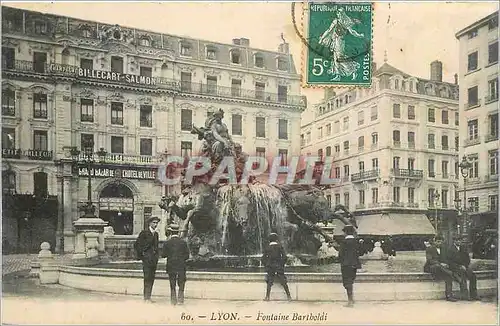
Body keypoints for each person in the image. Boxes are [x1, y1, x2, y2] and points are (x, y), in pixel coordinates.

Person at [423, 235, 461, 302]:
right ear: (434, 242)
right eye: (437, 242)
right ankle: (454, 274)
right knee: (438, 266)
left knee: (448, 277)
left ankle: (449, 296)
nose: (439, 243)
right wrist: (441, 264)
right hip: (431, 267)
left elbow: (446, 259)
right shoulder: (429, 249)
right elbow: (430, 260)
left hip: (442, 269)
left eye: (440, 242)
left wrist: (445, 264)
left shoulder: (444, 249)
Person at [162, 224, 190, 305]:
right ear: (178, 232)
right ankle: (180, 299)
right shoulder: (183, 243)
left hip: (171, 265)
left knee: (172, 283)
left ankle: (173, 300)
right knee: (181, 282)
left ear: (171, 232)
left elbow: (163, 255)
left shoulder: (167, 243)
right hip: (181, 265)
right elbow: (187, 256)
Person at [134, 216, 160, 302]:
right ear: (150, 223)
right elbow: (137, 245)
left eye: (156, 223)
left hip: (153, 260)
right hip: (146, 259)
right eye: (154, 223)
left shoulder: (156, 234)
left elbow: (156, 247)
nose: (155, 224)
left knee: (152, 278)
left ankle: (149, 297)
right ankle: (146, 297)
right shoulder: (144, 233)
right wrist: (142, 256)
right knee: (147, 277)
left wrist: (156, 256)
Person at [445, 236, 478, 301]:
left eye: (460, 240)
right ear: (454, 241)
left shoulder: (463, 248)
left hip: (464, 267)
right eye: (457, 240)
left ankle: (474, 295)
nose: (459, 242)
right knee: (462, 276)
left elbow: (467, 259)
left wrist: (465, 266)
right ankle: (464, 295)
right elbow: (449, 261)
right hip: (455, 268)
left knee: (473, 276)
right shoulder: (450, 249)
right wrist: (459, 266)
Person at [262, 232, 292, 301]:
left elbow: (263, 258)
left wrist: (267, 265)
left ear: (269, 240)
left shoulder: (267, 248)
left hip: (270, 267)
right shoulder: (280, 246)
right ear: (276, 240)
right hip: (279, 266)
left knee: (269, 281)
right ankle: (288, 296)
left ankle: (267, 297)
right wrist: (281, 264)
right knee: (283, 281)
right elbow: (285, 257)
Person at [337, 224, 361, 307]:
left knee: (347, 282)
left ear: (346, 232)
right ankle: (352, 299)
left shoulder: (344, 242)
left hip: (346, 265)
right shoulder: (356, 241)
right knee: (351, 281)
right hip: (354, 264)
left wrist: (339, 260)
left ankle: (350, 301)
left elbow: (340, 254)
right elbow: (359, 253)